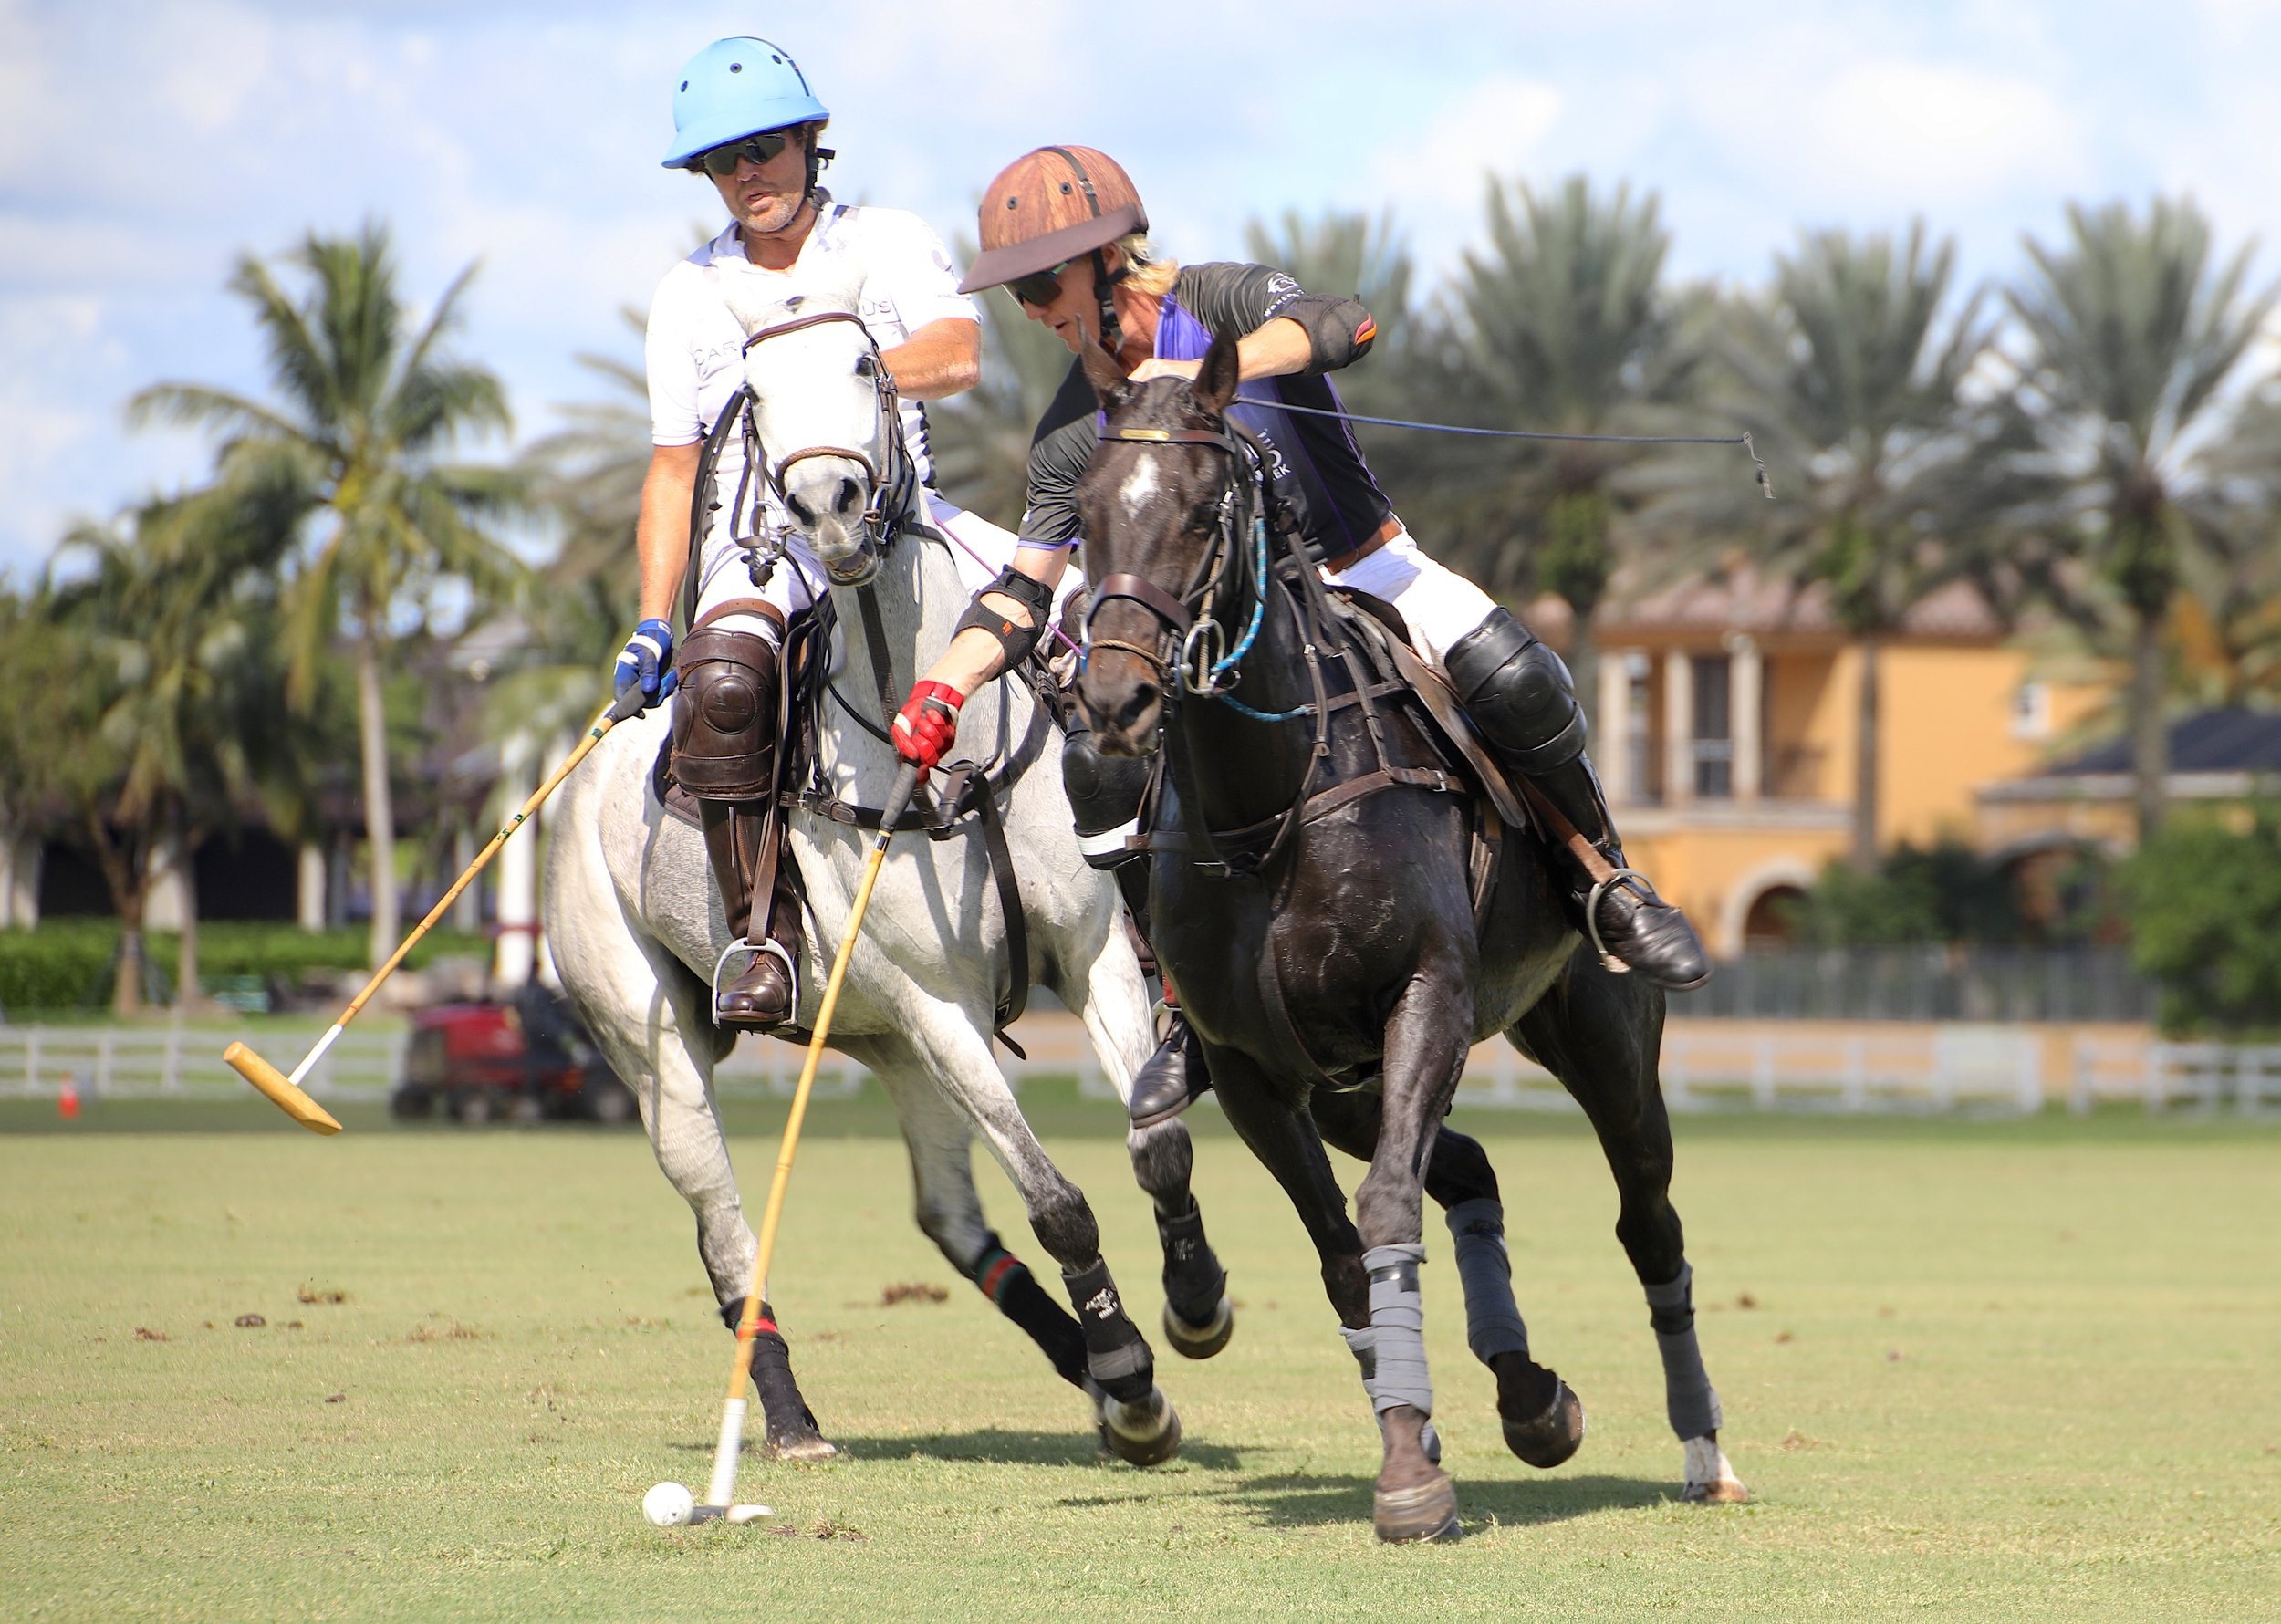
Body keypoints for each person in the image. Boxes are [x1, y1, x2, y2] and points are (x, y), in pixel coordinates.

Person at [890, 145, 1710, 1128]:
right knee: (1100, 771)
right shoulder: (1074, 429)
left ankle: (1603, 881)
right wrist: (943, 686)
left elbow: (1343, 321)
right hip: (1221, 634)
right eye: (1016, 293)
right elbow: (1023, 593)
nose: (1032, 310)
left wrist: (1201, 373)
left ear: (1109, 259)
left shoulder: (1221, 299)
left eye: (1041, 282)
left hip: (1363, 566)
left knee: (1515, 673)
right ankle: (1185, 1009)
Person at [618, 37, 1053, 1027]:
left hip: (907, 526)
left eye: (765, 147)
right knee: (722, 676)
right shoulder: (688, 293)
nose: (747, 175)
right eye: (723, 161)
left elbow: (958, 351)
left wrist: (841, 373)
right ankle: (760, 936)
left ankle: (1141, 899)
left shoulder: (884, 241)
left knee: (1085, 627)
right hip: (761, 547)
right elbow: (672, 465)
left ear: (812, 141)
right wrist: (652, 620)